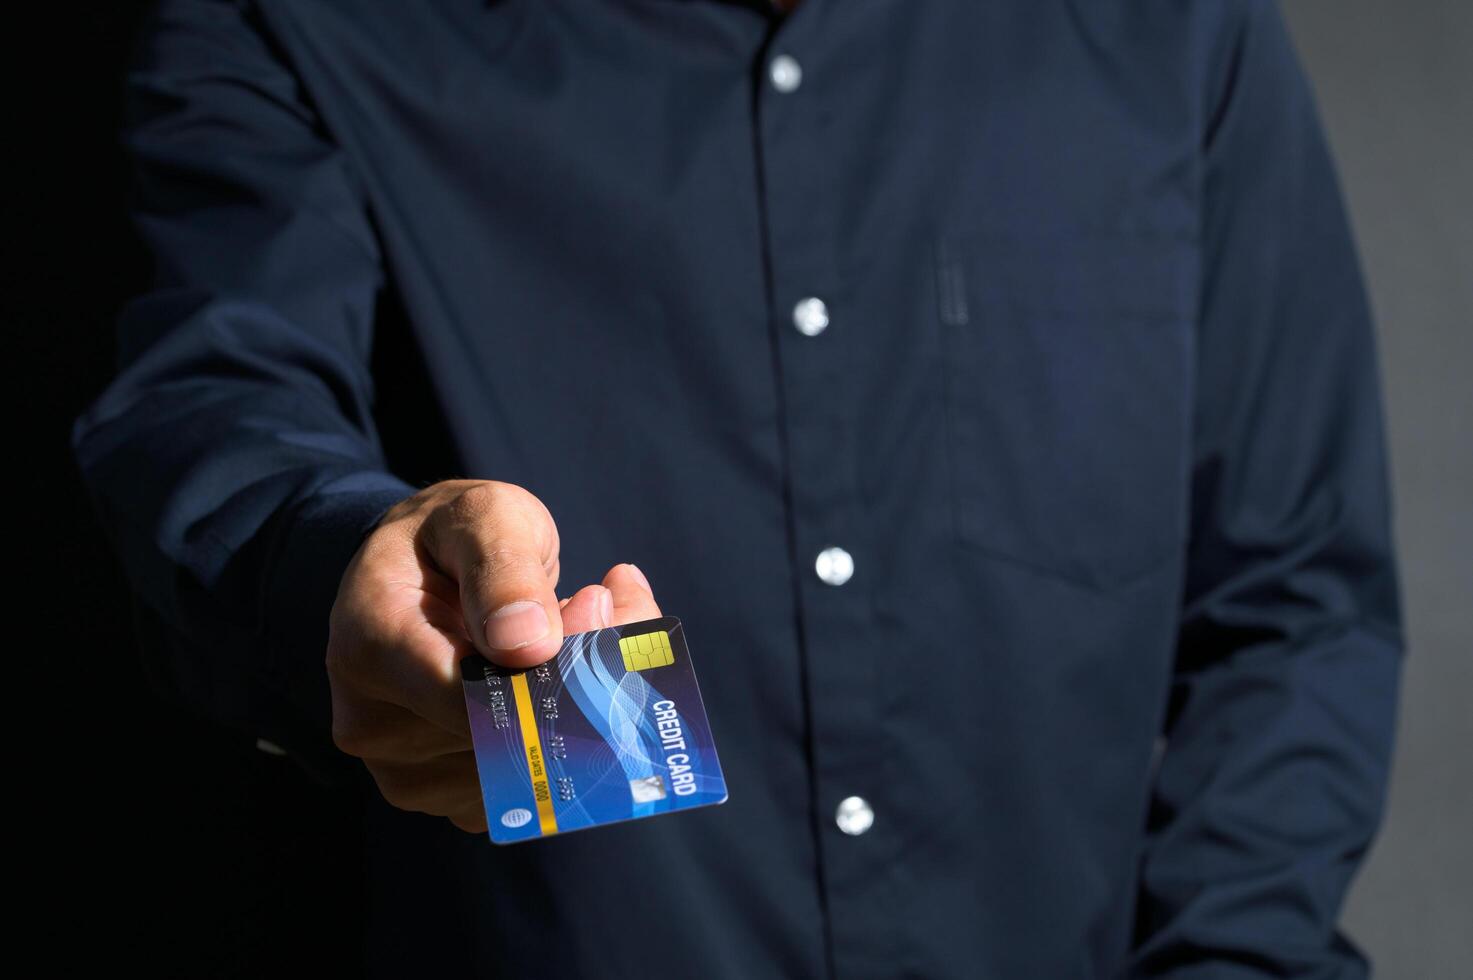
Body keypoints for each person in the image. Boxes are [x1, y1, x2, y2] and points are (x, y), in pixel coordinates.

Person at [71, 0, 1406, 976]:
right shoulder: (299, 27)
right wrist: (334, 560)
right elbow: (213, 403)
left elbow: (1293, 602)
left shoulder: (1173, 32)